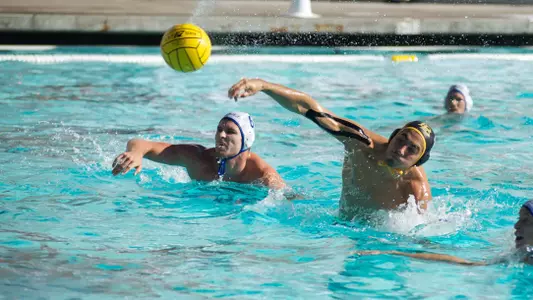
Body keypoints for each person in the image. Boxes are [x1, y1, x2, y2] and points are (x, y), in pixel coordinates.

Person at [227, 78, 436, 218]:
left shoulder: (415, 186)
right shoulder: (361, 143)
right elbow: (309, 108)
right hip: (340, 224)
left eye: (412, 149)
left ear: (418, 161)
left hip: (379, 240)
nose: (401, 149)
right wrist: (264, 86)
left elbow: (421, 236)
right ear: (393, 136)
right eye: (401, 140)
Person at [111, 112, 285, 189]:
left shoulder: (263, 175)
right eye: (219, 129)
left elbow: (291, 198)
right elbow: (141, 143)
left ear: (246, 141)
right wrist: (135, 153)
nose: (221, 135)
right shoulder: (197, 158)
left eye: (230, 131)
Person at [356, 200, 533, 266]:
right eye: (519, 219)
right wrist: (394, 253)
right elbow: (468, 263)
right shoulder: (519, 254)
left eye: (525, 221)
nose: (516, 226)